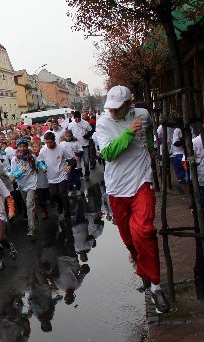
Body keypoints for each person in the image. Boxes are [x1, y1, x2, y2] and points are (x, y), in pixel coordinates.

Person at [97, 85, 170, 313]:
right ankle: (140, 261)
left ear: (130, 104)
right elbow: (108, 154)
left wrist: (150, 149)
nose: (112, 112)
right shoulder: (103, 123)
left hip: (141, 182)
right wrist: (129, 132)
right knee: (130, 240)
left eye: (117, 108)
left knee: (145, 231)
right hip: (117, 189)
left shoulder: (143, 115)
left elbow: (148, 132)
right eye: (110, 107)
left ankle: (156, 288)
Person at [39, 131, 74, 216]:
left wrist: (70, 166)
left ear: (54, 140)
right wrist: (42, 167)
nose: (47, 144)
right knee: (54, 195)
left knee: (63, 193)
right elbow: (39, 162)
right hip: (51, 177)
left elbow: (72, 159)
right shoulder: (43, 150)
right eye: (46, 142)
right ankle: (60, 204)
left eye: (49, 142)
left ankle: (67, 212)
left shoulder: (61, 148)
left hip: (62, 174)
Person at [11, 138, 39, 237]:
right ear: (17, 148)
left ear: (27, 147)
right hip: (22, 185)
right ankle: (35, 217)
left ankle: (31, 229)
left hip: (32, 183)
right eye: (20, 146)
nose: (22, 148)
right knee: (29, 205)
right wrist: (20, 171)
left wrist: (43, 167)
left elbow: (38, 163)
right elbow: (13, 174)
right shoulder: (15, 159)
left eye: (24, 146)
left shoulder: (32, 156)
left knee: (29, 204)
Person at [67, 111, 94, 179]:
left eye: (78, 118)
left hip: (85, 145)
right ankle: (80, 174)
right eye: (76, 118)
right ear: (74, 117)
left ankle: (87, 174)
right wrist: (72, 138)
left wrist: (87, 135)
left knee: (86, 161)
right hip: (76, 146)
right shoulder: (71, 124)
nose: (77, 119)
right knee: (77, 162)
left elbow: (91, 130)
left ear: (80, 117)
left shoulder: (85, 123)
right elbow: (68, 134)